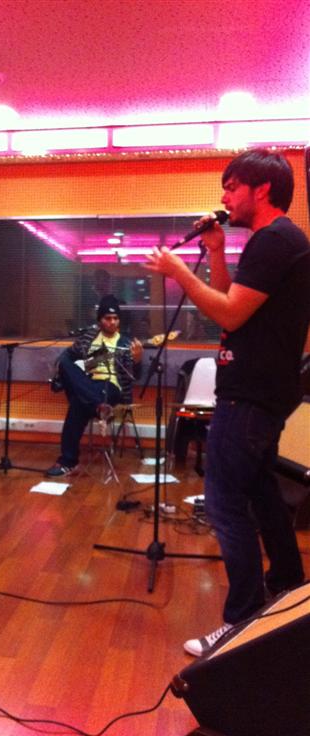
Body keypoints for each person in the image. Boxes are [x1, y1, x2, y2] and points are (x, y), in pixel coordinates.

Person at [146, 149, 310, 657]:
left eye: (232, 186)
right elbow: (228, 306)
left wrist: (180, 271)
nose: (224, 197)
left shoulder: (275, 240)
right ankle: (288, 588)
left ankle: (240, 623)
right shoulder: (274, 242)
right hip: (259, 392)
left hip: (250, 395)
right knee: (261, 494)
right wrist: (215, 252)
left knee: (224, 504)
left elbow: (231, 316)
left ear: (262, 190)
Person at [46, 294, 143, 477]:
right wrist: (73, 367)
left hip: (111, 387)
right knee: (66, 365)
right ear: (99, 320)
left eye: (115, 318)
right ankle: (98, 406)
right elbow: (65, 358)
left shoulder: (125, 343)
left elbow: (134, 377)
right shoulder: (88, 338)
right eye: (108, 318)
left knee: (78, 406)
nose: (112, 322)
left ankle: (67, 462)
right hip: (88, 384)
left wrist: (137, 361)